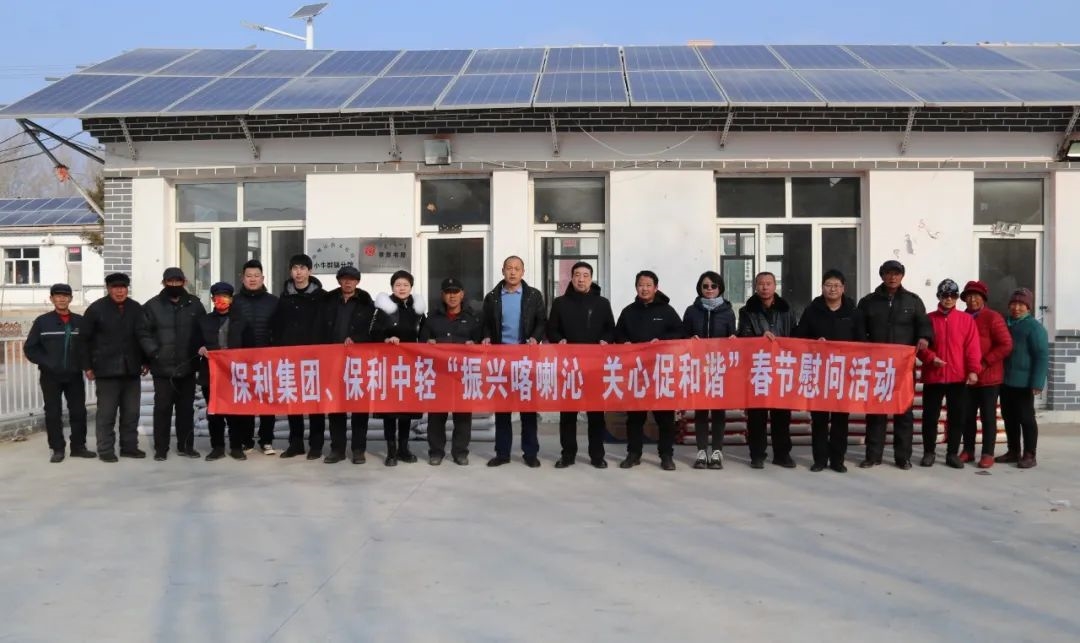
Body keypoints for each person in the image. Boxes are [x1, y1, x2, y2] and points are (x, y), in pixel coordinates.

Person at [857, 260, 933, 470]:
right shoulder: (868, 302)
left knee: (904, 411)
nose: (892, 277)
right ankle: (873, 455)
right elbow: (860, 329)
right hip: (877, 366)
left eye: (896, 274)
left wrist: (924, 337)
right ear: (882, 276)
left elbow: (924, 325)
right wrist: (865, 349)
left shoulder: (913, 301)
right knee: (876, 410)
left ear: (902, 276)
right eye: (888, 273)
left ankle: (903, 457)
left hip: (903, 366)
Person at [547, 261, 616, 469]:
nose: (581, 279)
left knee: (596, 414)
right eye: (577, 275)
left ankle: (597, 455)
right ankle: (568, 454)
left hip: (595, 367)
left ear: (591, 278)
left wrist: (605, 340)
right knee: (568, 413)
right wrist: (559, 340)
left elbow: (610, 329)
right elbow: (552, 329)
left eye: (585, 275)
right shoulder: (560, 303)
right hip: (569, 367)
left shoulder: (602, 303)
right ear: (571, 278)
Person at [794, 269, 864, 473]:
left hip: (844, 373)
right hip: (819, 373)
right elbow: (799, 337)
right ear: (822, 287)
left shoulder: (853, 312)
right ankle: (820, 459)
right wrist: (815, 343)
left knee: (841, 419)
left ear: (843, 288)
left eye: (836, 285)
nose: (832, 289)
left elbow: (862, 341)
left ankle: (837, 460)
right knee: (819, 419)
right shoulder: (812, 310)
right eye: (828, 285)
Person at [614, 270, 684, 471]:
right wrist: (624, 342)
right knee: (635, 418)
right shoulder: (628, 312)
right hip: (636, 373)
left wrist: (661, 342)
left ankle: (666, 455)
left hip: (661, 372)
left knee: (665, 418)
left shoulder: (667, 311)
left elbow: (680, 333)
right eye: (640, 285)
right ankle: (633, 454)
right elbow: (618, 334)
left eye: (648, 285)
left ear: (656, 287)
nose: (644, 289)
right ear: (636, 287)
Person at [482, 256, 547, 468]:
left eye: (516, 268)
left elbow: (541, 321)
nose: (512, 272)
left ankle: (530, 453)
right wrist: (486, 337)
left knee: (528, 410)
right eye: (509, 268)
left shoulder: (533, 295)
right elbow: (485, 323)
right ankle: (502, 453)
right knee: (503, 410)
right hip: (501, 361)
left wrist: (535, 337)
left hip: (526, 360)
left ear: (523, 272)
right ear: (502, 271)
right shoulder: (492, 297)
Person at [138, 268, 206, 461]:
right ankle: (161, 449)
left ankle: (186, 446)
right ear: (164, 283)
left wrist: (200, 350)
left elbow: (204, 329)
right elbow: (143, 333)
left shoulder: (195, 304)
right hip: (162, 368)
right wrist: (153, 353)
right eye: (170, 282)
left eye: (178, 281)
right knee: (162, 409)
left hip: (187, 366)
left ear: (184, 282)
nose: (174, 285)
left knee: (186, 410)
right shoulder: (152, 306)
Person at [23, 283, 94, 463]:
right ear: (51, 299)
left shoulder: (79, 321)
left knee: (78, 411)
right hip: (50, 376)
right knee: (53, 413)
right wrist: (48, 363)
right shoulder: (42, 322)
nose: (62, 299)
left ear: (71, 298)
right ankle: (57, 449)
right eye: (58, 296)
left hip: (74, 375)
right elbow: (30, 348)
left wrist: (87, 366)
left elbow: (87, 347)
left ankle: (78, 447)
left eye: (65, 296)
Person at [81, 272, 147, 462]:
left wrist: (146, 361)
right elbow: (83, 340)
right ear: (108, 288)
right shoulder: (96, 309)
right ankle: (105, 449)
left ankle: (129, 447)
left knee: (131, 412)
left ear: (127, 288)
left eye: (123, 287)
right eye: (115, 287)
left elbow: (143, 336)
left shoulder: (136, 308)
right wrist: (87, 366)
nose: (119, 291)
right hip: (106, 370)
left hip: (131, 370)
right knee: (107, 413)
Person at [918, 279, 981, 469]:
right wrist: (931, 358)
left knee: (957, 417)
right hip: (934, 375)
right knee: (930, 416)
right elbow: (920, 346)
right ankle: (929, 452)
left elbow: (972, 347)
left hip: (957, 376)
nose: (949, 299)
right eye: (945, 295)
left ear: (957, 298)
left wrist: (973, 370)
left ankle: (952, 453)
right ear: (939, 296)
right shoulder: (928, 319)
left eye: (953, 295)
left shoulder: (966, 320)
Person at [738, 272, 798, 470]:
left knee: (782, 415)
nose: (765, 287)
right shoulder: (747, 311)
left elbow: (795, 335)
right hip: (758, 367)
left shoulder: (786, 309)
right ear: (756, 287)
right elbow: (743, 335)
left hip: (781, 367)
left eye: (768, 283)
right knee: (757, 415)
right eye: (761, 284)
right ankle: (757, 455)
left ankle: (782, 454)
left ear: (775, 286)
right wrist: (759, 338)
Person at [270, 254, 326, 460]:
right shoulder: (284, 298)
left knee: (315, 402)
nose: (299, 272)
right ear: (290, 271)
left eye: (303, 268)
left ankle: (316, 445)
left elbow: (327, 325)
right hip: (290, 357)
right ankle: (295, 443)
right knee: (293, 400)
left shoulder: (322, 297)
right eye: (295, 268)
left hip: (315, 358)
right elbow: (277, 326)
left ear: (310, 271)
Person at [421, 277, 483, 466]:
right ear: (442, 295)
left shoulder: (472, 318)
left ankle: (460, 452)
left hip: (463, 375)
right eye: (448, 292)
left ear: (462, 294)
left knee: (463, 416)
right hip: (438, 374)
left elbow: (481, 344)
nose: (452, 296)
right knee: (436, 416)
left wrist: (474, 344)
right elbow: (421, 342)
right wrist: (428, 343)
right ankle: (436, 452)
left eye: (456, 292)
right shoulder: (432, 318)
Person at [321, 265, 376, 465]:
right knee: (336, 406)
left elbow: (374, 330)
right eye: (344, 279)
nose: (348, 282)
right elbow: (320, 325)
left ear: (357, 282)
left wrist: (357, 339)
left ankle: (358, 449)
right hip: (332, 359)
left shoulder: (367, 302)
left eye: (352, 279)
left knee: (359, 406)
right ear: (339, 281)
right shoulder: (328, 300)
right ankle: (337, 449)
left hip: (358, 361)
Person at [372, 269, 427, 466]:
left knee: (406, 410)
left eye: (405, 285)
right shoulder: (383, 308)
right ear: (392, 287)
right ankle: (391, 452)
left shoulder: (417, 310)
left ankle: (404, 449)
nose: (402, 288)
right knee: (390, 411)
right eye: (398, 285)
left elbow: (425, 333)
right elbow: (373, 333)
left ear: (411, 287)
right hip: (389, 366)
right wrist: (386, 339)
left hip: (410, 366)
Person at [682, 270, 736, 470]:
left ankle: (717, 451)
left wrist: (733, 339)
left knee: (719, 411)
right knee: (701, 410)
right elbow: (682, 335)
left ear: (720, 288)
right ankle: (701, 451)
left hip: (720, 367)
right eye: (705, 286)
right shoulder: (691, 311)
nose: (710, 289)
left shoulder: (728, 312)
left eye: (714, 286)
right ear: (700, 288)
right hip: (699, 368)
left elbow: (733, 336)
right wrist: (690, 339)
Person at [193, 282, 253, 461]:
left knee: (235, 412)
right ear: (212, 299)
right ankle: (217, 447)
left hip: (234, 374)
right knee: (214, 413)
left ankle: (236, 447)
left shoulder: (241, 321)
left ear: (231, 299)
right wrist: (200, 348)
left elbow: (250, 347)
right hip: (210, 374)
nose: (221, 300)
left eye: (225, 297)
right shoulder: (204, 321)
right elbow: (195, 342)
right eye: (218, 297)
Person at [960, 280, 1013, 468]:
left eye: (976, 296)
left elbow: (1006, 344)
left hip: (989, 377)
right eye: (969, 296)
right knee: (967, 415)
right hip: (966, 377)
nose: (972, 300)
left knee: (988, 417)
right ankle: (968, 450)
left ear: (983, 298)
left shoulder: (993, 317)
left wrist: (984, 362)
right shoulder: (962, 317)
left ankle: (987, 453)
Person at [231, 259, 279, 455]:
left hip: (268, 359)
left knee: (267, 400)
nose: (252, 279)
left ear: (263, 278)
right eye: (249, 276)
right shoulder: (234, 302)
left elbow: (280, 329)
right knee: (246, 400)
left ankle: (266, 440)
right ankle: (247, 440)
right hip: (242, 360)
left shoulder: (273, 301)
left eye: (256, 276)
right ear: (242, 278)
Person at [998, 288, 1048, 469]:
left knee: (1026, 418)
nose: (1016, 308)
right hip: (1005, 381)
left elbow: (1041, 356)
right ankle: (1013, 451)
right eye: (1013, 304)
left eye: (1021, 305)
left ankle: (1029, 454)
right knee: (1009, 417)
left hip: (1024, 383)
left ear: (1028, 307)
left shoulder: (1034, 328)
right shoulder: (1005, 323)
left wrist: (1037, 382)